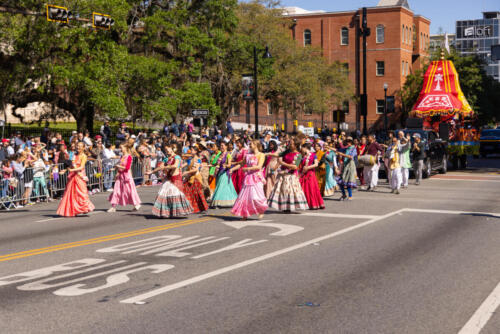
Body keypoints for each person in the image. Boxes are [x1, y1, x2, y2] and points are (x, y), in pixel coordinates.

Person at [151, 144, 193, 218]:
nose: (166, 150)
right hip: (168, 178)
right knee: (163, 193)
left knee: (175, 194)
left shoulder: (177, 157)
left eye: (168, 149)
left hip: (176, 178)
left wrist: (165, 167)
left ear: (173, 148)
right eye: (166, 149)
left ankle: (176, 211)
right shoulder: (166, 159)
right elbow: (160, 167)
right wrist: (151, 172)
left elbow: (175, 166)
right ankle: (165, 212)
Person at [231, 140, 268, 220]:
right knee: (245, 197)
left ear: (256, 144)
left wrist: (247, 168)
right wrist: (233, 169)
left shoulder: (261, 155)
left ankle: (261, 211)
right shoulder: (247, 155)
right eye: (249, 144)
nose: (250, 145)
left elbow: (259, 167)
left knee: (256, 196)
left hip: (256, 177)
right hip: (248, 178)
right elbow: (241, 164)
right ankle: (245, 215)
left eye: (251, 144)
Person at [268, 139, 308, 212]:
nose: (289, 145)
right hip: (283, 174)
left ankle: (289, 206)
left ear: (296, 145)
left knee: (289, 191)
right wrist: (268, 154)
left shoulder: (298, 155)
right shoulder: (287, 151)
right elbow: (278, 154)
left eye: (291, 144)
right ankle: (285, 206)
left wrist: (283, 163)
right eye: (289, 143)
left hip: (291, 175)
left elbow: (295, 167)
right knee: (283, 190)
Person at [56, 142, 95, 217]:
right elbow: (71, 166)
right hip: (73, 176)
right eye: (77, 146)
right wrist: (65, 170)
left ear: (83, 148)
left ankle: (83, 208)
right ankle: (72, 210)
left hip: (80, 176)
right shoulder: (75, 155)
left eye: (80, 146)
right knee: (71, 194)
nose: (78, 148)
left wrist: (72, 170)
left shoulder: (84, 156)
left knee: (81, 193)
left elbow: (81, 167)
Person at [107, 144, 142, 212]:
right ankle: (113, 206)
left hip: (126, 176)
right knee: (116, 190)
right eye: (120, 148)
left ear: (126, 148)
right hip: (120, 176)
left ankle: (136, 204)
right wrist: (113, 169)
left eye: (121, 147)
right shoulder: (121, 156)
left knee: (129, 191)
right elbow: (119, 165)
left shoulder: (129, 156)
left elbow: (127, 168)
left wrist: (118, 167)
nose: (120, 149)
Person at [210, 142, 238, 207]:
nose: (221, 147)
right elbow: (216, 163)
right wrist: (208, 165)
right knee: (221, 187)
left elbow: (229, 164)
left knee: (221, 187)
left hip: (225, 173)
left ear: (226, 147)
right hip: (219, 173)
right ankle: (222, 202)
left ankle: (218, 203)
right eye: (220, 146)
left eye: (222, 145)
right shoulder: (220, 154)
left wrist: (226, 166)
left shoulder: (228, 154)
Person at [182, 146, 209, 213]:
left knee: (197, 194)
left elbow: (196, 169)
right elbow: (185, 164)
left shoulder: (198, 159)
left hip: (195, 177)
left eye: (192, 150)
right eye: (190, 150)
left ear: (196, 151)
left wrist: (187, 172)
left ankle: (201, 207)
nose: (191, 151)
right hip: (189, 177)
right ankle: (188, 208)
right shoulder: (190, 159)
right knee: (186, 192)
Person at [299, 142, 325, 210]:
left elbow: (316, 164)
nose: (301, 149)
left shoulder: (313, 155)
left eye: (302, 148)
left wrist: (308, 167)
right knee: (304, 189)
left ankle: (313, 204)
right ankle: (305, 204)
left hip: (310, 174)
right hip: (303, 174)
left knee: (311, 189)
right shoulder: (303, 156)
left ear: (305, 148)